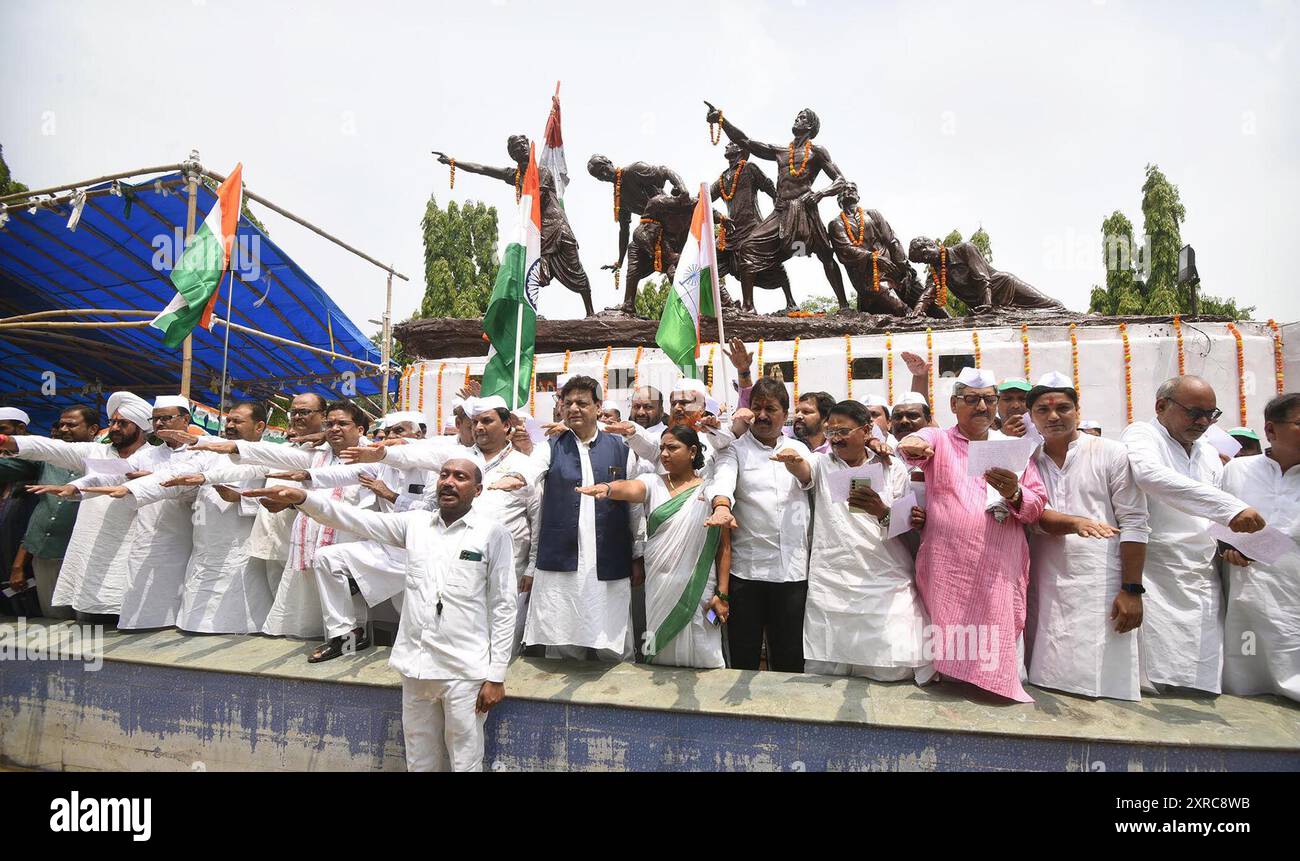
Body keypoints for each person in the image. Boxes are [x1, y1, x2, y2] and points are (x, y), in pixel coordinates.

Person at [245, 458, 515, 772]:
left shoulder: (492, 534)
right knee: (418, 757)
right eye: (444, 475)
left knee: (465, 759)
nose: (449, 482)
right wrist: (304, 498)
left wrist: (496, 676)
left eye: (460, 477)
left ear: (478, 489)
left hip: (464, 671)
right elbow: (354, 520)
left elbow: (503, 606)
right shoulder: (415, 524)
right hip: (415, 666)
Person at [896, 368, 1047, 702]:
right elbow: (911, 445)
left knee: (995, 623)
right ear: (954, 404)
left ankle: (994, 684)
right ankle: (953, 683)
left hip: (998, 563)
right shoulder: (939, 439)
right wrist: (914, 443)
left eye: (989, 399)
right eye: (972, 399)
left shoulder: (1012, 447)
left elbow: (1036, 504)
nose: (982, 406)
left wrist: (1016, 493)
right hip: (949, 563)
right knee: (951, 629)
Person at [1121, 375, 1264, 694]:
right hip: (1156, 573)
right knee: (1156, 681)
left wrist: (1234, 544)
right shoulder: (1142, 434)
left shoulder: (1209, 452)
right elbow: (1150, 477)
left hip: (1201, 575)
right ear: (1161, 406)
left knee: (1200, 674)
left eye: (1211, 415)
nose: (1203, 421)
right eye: (1194, 412)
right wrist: (1231, 508)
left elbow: (1205, 512)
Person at [190, 400, 376, 640]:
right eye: (331, 424)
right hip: (300, 542)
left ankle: (348, 642)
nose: (335, 428)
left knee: (349, 605)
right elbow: (265, 461)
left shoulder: (372, 456)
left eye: (342, 423)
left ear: (360, 429)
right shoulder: (314, 454)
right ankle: (318, 641)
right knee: (301, 608)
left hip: (347, 542)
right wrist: (221, 455)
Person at [776, 401, 932, 681]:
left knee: (892, 668)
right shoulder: (823, 463)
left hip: (884, 576)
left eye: (844, 430)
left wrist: (880, 511)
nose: (836, 437)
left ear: (867, 430)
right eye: (831, 430)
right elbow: (803, 470)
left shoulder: (891, 467)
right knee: (830, 668)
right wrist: (793, 461)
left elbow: (904, 522)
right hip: (833, 577)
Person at [1024, 373, 1150, 701]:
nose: (1053, 416)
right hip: (1045, 577)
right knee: (1046, 676)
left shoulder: (1111, 453)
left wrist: (1131, 589)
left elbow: (1135, 522)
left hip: (1100, 580)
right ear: (1031, 417)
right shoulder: (1027, 460)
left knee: (1102, 683)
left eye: (1063, 407)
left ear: (1078, 410)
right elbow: (1029, 515)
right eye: (1043, 410)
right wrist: (1071, 523)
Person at [576, 426, 729, 668]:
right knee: (659, 652)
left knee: (704, 650)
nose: (665, 454)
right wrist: (608, 488)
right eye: (662, 449)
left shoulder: (711, 489)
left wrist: (722, 594)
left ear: (692, 451)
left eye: (672, 448)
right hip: (660, 584)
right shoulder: (652, 482)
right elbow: (630, 488)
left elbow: (723, 548)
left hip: (700, 584)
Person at [5, 391, 162, 622]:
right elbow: (51, 448)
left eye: (122, 423)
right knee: (87, 619)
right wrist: (9, 441)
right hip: (91, 549)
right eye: (113, 422)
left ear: (139, 427)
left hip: (132, 548)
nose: (115, 428)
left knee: (126, 618)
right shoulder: (95, 451)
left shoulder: (156, 458)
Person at [525, 376, 649, 661]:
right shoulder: (550, 448)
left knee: (613, 642)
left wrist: (637, 553)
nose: (573, 409)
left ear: (597, 407)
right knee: (563, 638)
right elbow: (528, 472)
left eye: (581, 403)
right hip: (562, 559)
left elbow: (633, 508)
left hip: (608, 558)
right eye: (567, 403)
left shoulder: (622, 450)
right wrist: (515, 478)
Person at [706, 378, 812, 672]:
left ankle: (785, 716)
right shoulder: (735, 449)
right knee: (743, 652)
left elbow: (810, 478)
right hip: (747, 572)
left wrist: (797, 466)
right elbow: (722, 479)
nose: (762, 416)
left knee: (789, 653)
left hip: (791, 571)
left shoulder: (798, 448)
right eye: (757, 408)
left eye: (771, 409)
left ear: (786, 413)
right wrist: (722, 506)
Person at [1218, 392, 1300, 702]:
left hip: (1292, 591)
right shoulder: (1238, 470)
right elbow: (1216, 522)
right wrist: (1226, 548)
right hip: (1244, 589)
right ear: (1270, 430)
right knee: (1245, 677)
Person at [4, 406, 99, 619]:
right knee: (53, 618)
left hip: (81, 555)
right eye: (61, 424)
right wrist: (19, 565)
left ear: (92, 429)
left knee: (86, 621)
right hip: (45, 553)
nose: (64, 429)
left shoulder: (103, 459)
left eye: (71, 425)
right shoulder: (45, 460)